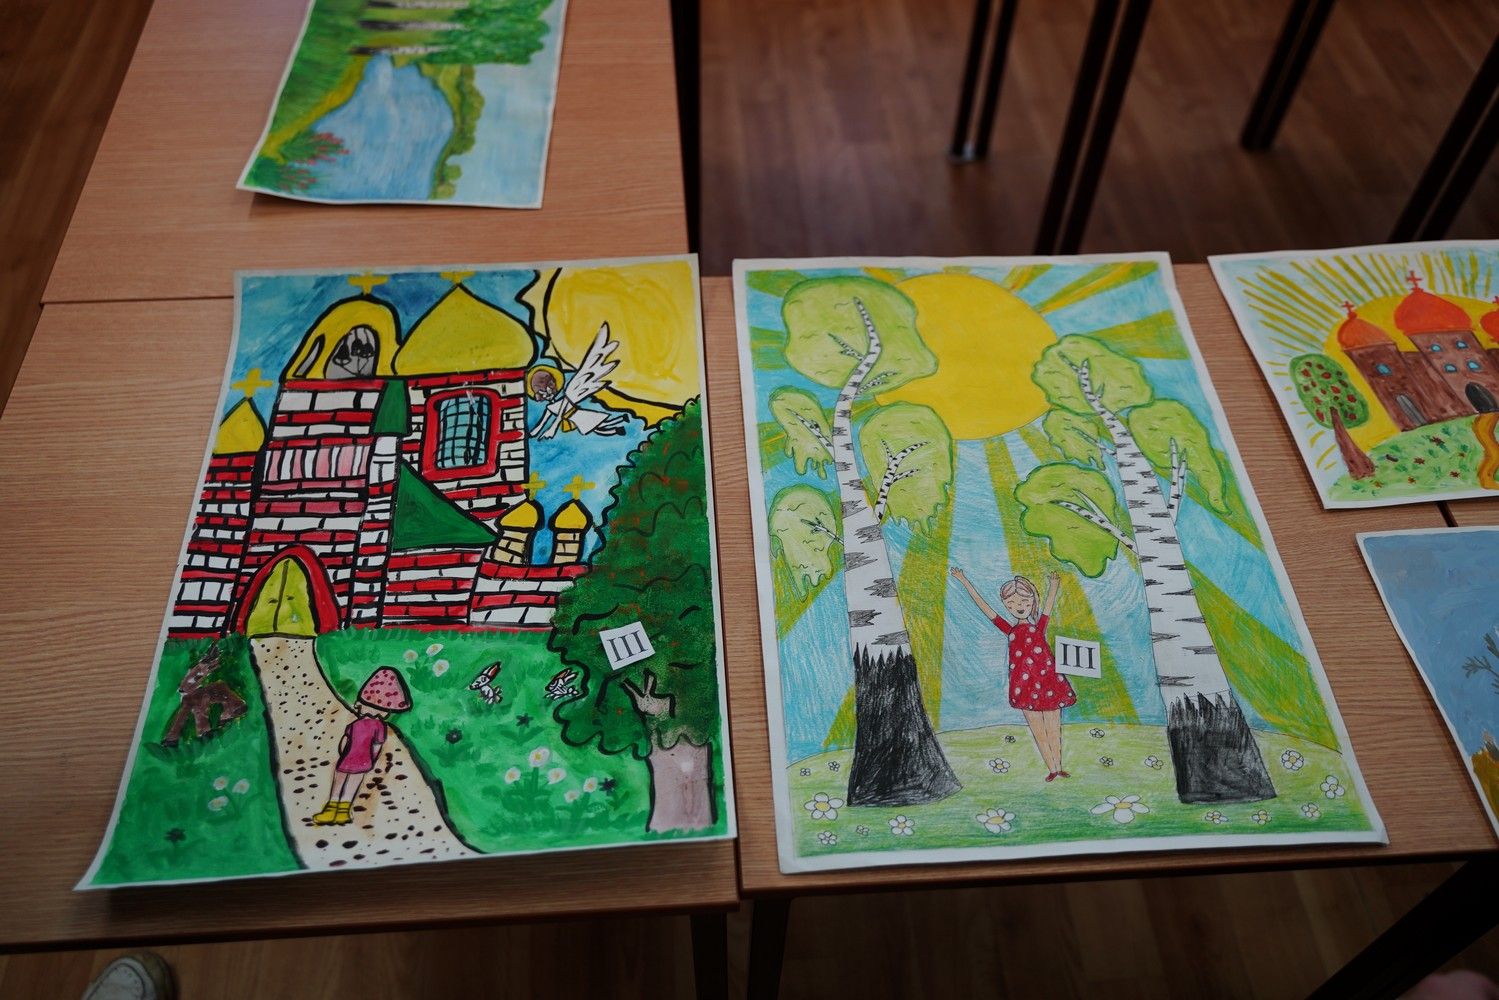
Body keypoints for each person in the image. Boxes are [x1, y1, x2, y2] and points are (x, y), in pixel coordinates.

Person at [951, 567, 1076, 781]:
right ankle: (1052, 769)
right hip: (1024, 687)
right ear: (1006, 605)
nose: (1019, 607)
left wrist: (1054, 586)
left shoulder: (1039, 627)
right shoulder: (1009, 630)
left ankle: (1058, 766)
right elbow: (984, 607)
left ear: (1032, 602)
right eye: (1011, 604)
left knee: (1054, 728)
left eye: (1024, 602)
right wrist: (963, 580)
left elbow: (1048, 606)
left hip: (1049, 683)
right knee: (1038, 731)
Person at [313, 666, 411, 826]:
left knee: (340, 780)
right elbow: (376, 746)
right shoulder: (379, 727)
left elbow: (345, 742)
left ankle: (334, 808)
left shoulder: (357, 724)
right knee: (351, 783)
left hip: (348, 758)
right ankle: (342, 810)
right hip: (362, 761)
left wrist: (343, 752)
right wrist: (372, 759)